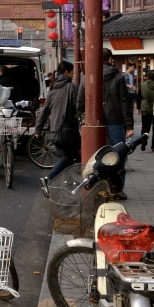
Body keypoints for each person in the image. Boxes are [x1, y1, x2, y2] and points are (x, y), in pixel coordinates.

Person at [77, 48, 134, 199]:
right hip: (115, 121)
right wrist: (129, 126)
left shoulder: (86, 77)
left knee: (94, 158)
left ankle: (95, 190)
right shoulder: (118, 77)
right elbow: (125, 102)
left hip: (92, 122)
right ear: (110, 60)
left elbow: (80, 102)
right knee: (118, 156)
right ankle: (116, 190)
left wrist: (82, 118)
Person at [35, 61, 79, 196]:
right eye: (72, 71)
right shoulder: (71, 87)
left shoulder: (53, 89)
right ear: (67, 72)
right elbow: (78, 107)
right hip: (66, 130)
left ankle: (69, 181)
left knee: (66, 157)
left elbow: (45, 111)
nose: (73, 74)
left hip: (54, 130)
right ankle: (49, 179)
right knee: (71, 156)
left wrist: (38, 128)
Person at [137, 69, 154, 152]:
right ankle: (153, 146)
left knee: (145, 127)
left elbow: (139, 97)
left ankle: (143, 139)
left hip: (145, 108)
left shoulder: (143, 85)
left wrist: (138, 108)